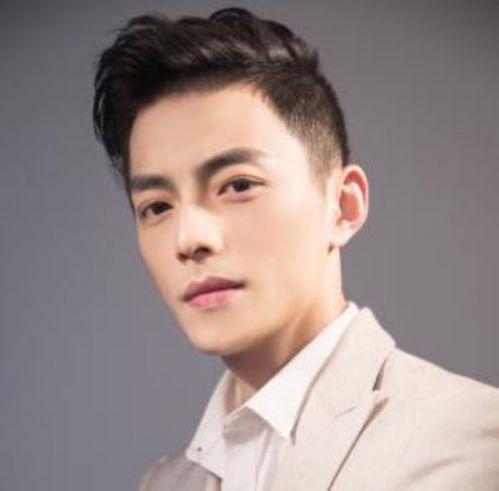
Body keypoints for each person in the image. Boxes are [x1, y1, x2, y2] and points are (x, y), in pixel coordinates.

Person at [91, 7, 499, 490]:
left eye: (238, 185)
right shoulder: (165, 483)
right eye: (157, 207)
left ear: (343, 206)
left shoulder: (467, 441)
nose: (189, 239)